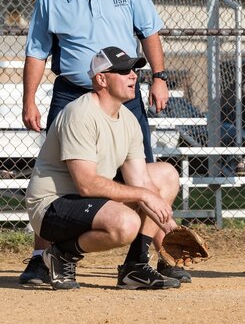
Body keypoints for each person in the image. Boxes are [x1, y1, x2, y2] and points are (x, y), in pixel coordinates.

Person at [19, 0, 187, 285]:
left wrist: (159, 76)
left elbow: (150, 32)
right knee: (63, 177)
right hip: (72, 92)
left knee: (144, 172)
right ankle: (40, 258)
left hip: (122, 96)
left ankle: (150, 256)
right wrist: (29, 100)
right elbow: (37, 53)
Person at [24, 47, 181, 290]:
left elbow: (141, 180)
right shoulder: (80, 114)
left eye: (134, 70)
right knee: (125, 222)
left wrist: (170, 227)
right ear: (101, 79)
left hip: (90, 202)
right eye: (122, 70)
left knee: (166, 174)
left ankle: (135, 267)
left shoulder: (128, 119)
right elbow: (86, 184)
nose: (133, 76)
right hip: (52, 206)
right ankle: (61, 254)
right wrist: (144, 195)